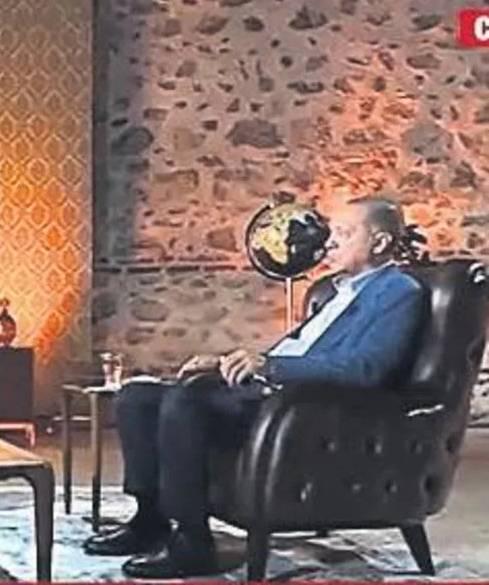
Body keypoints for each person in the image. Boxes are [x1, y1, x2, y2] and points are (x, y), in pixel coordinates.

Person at [82, 196, 427, 579]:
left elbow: (366, 370)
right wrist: (224, 362)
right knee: (138, 396)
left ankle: (192, 540)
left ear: (379, 242)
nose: (330, 242)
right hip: (270, 391)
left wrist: (271, 367)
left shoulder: (398, 293)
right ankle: (149, 519)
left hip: (301, 410)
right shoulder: (333, 291)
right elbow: (299, 349)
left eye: (344, 234)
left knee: (187, 402)